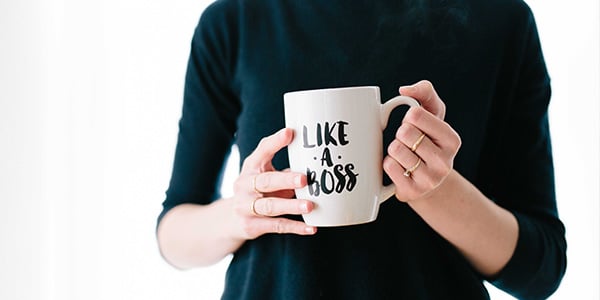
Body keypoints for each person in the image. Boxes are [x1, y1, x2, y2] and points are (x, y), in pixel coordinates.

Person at [156, 0, 567, 299]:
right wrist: (241, 214)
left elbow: (540, 268)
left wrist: (435, 190)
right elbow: (173, 235)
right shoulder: (235, 22)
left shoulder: (499, 20)